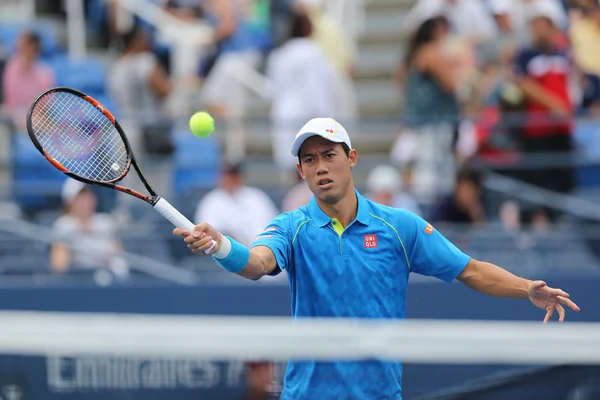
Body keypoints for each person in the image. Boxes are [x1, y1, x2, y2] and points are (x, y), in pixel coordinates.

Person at [175, 117, 580, 400]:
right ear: (301, 171)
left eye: (329, 155)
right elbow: (257, 263)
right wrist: (221, 246)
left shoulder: (399, 227)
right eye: (310, 160)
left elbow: (470, 270)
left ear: (351, 159)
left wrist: (527, 288)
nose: (320, 167)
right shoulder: (291, 227)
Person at [51, 179, 127, 278]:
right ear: (69, 201)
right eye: (80, 197)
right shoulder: (63, 225)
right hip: (80, 281)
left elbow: (117, 255)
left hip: (110, 278)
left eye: (87, 195)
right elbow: (59, 265)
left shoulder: (105, 222)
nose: (85, 201)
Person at [193, 161, 279, 247]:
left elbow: (274, 228)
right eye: (227, 174)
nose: (231, 178)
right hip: (226, 254)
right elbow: (207, 236)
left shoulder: (257, 197)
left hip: (262, 251)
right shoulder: (211, 201)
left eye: (234, 174)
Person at [2, 31, 55, 131]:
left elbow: (43, 107)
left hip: (36, 120)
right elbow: (10, 102)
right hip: (11, 118)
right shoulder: (10, 67)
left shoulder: (46, 73)